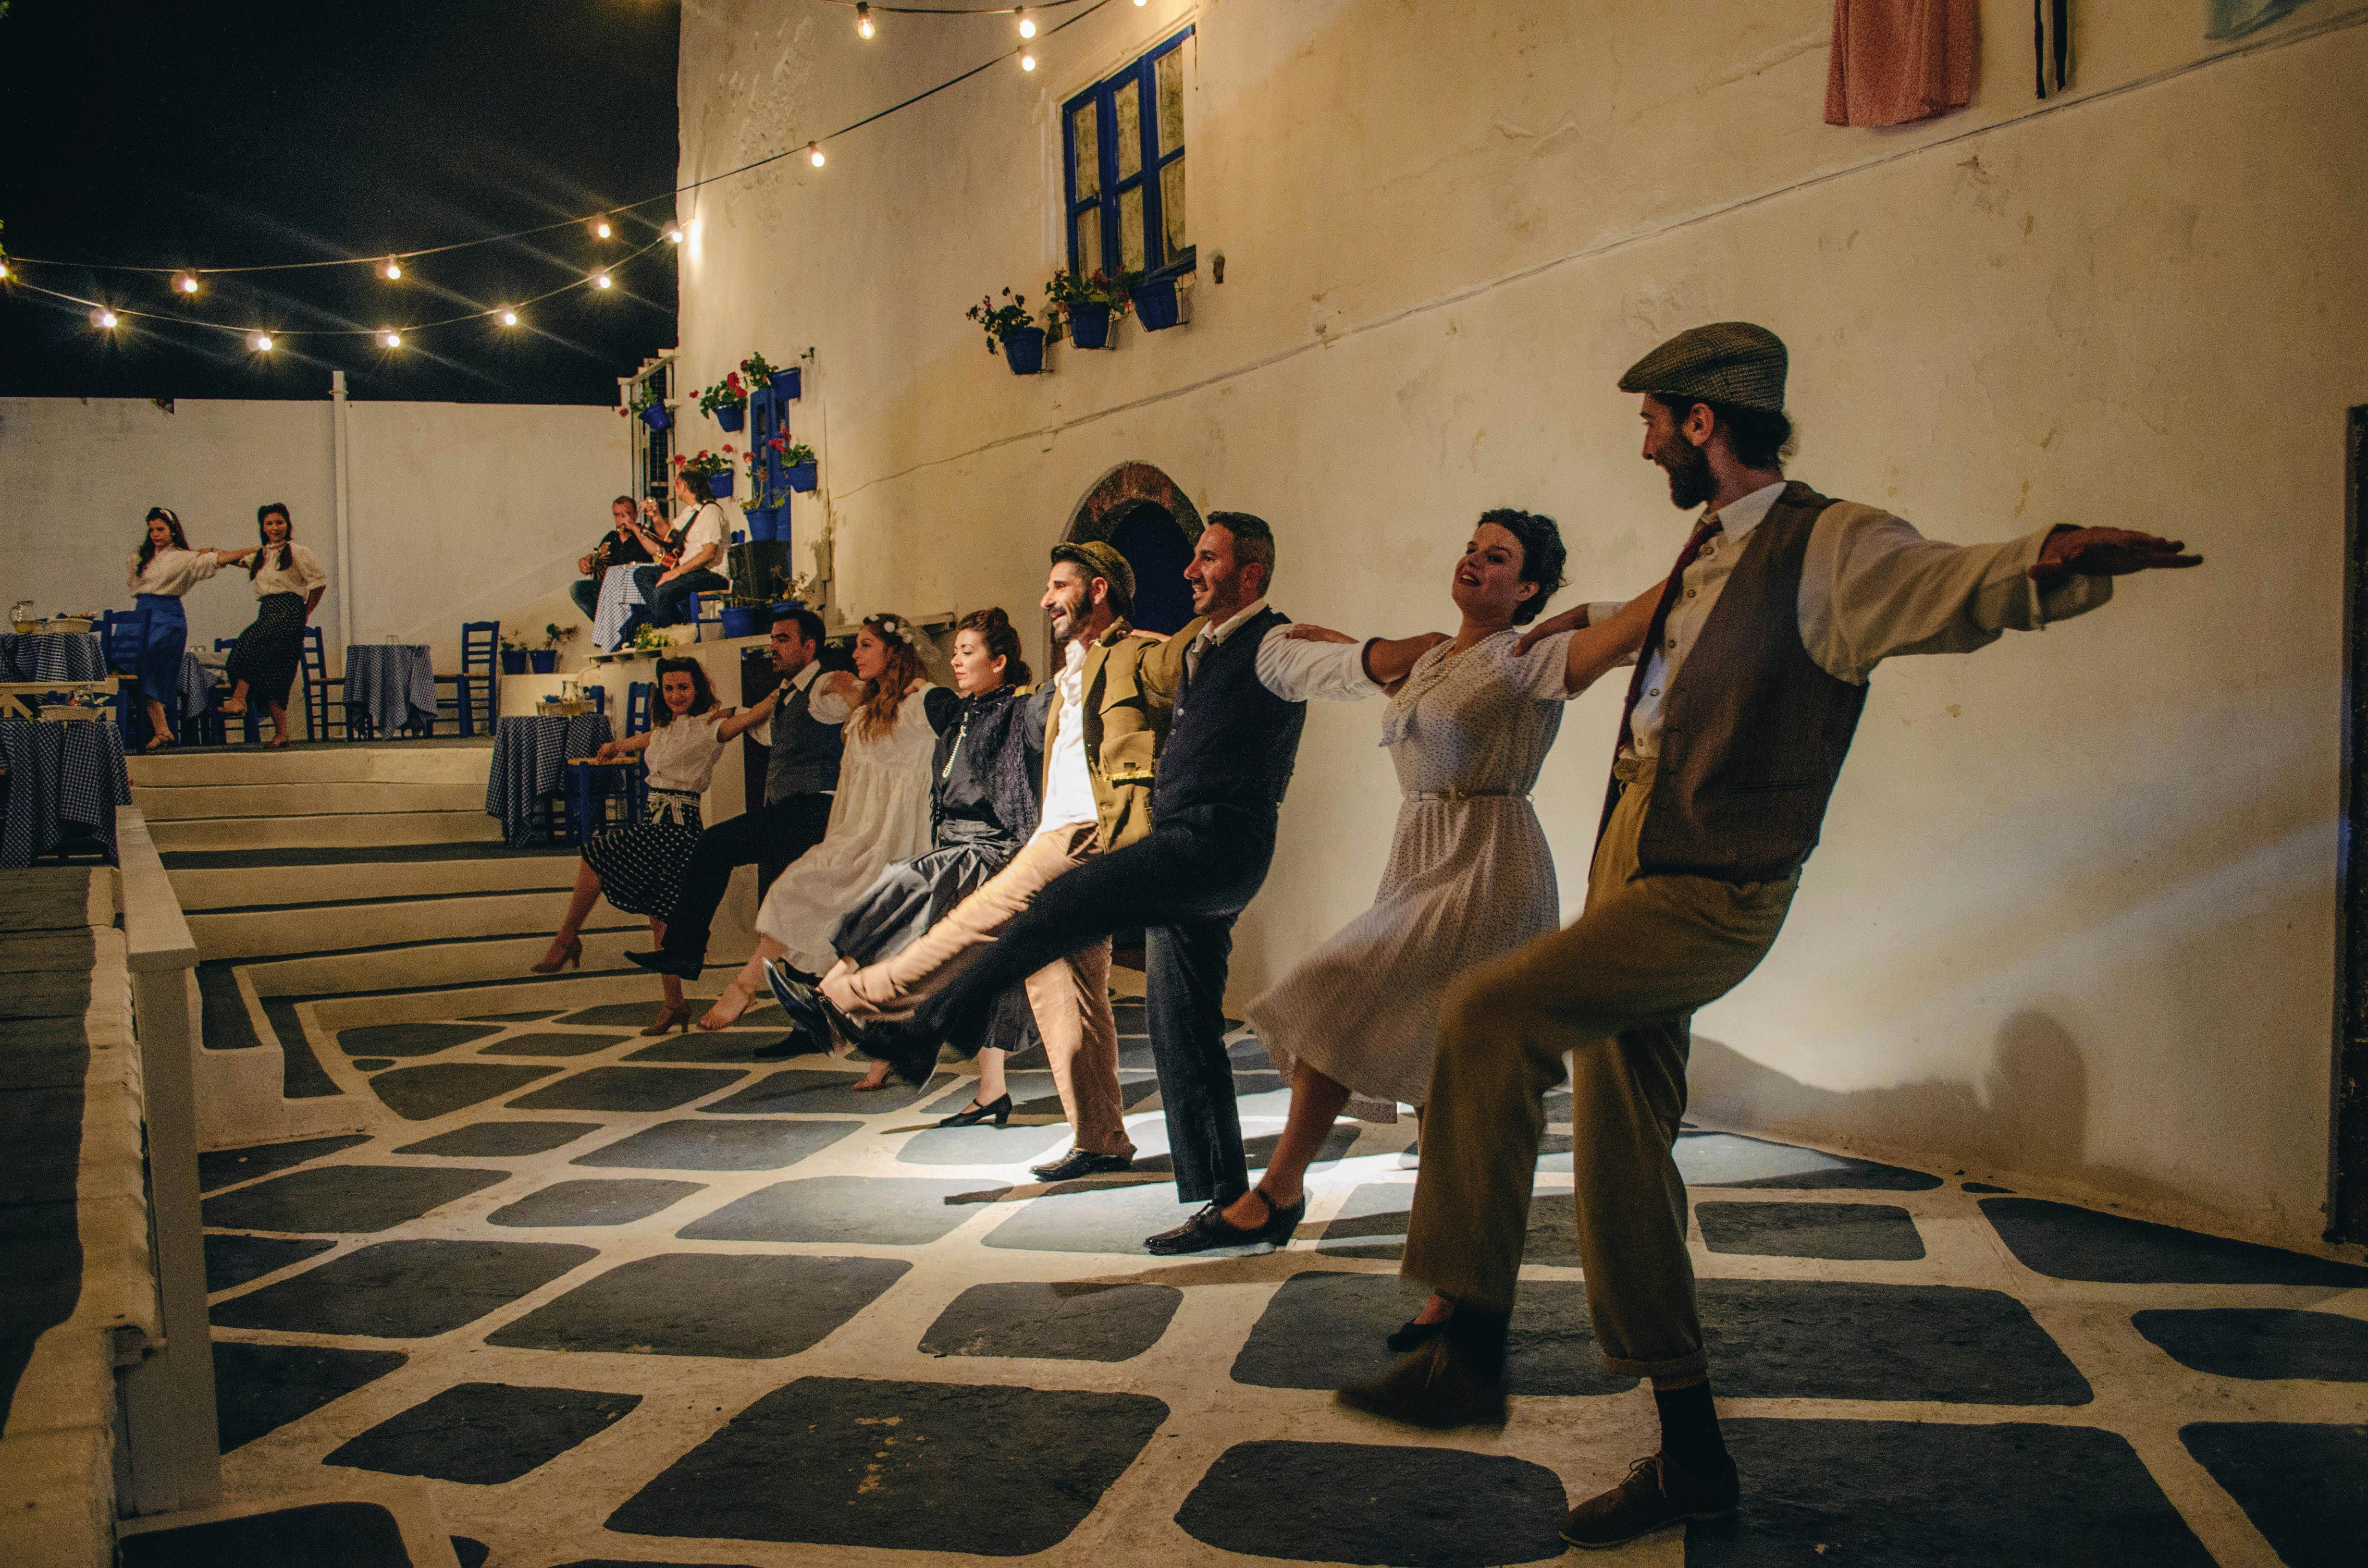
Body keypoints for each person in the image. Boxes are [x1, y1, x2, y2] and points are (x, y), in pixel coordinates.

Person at [1336, 322, 2202, 1551]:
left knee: (1490, 1013)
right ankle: (1694, 1457)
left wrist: (2046, 560)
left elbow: (1935, 585)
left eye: (1653, 422)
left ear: (1703, 421)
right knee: (1620, 1151)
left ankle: (1466, 1344)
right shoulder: (1708, 545)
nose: (1642, 446)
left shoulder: (1827, 541)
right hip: (1633, 862)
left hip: (1710, 885)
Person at [857, 514, 1441, 1253]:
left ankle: (929, 1029)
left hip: (1217, 846)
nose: (1191, 571)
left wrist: (1412, 649)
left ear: (1251, 576)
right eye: (1194, 557)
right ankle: (1234, 1202)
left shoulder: (1275, 647)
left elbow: (1359, 667)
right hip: (1183, 845)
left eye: (1208, 559)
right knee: (1180, 1023)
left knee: (1061, 901)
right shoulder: (1198, 647)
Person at [1229, 510, 1653, 1288]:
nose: (1473, 562)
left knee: (1337, 988)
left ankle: (1279, 1187)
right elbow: (1297, 645)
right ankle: (1450, 1286)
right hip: (1419, 849)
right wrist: (1363, 651)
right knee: (1437, 1075)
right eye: (1470, 547)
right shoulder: (1425, 658)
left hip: (1488, 862)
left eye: (1497, 558)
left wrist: (1576, 616)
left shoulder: (1529, 656)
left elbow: (1636, 626)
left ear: (1525, 587)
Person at [771, 540, 1166, 1180]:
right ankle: (1101, 1140)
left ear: (1097, 591)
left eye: (1059, 585)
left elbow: (1182, 674)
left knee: (971, 921)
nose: (1045, 598)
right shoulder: (1070, 669)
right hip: (1059, 833)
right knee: (1067, 994)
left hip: (1077, 838)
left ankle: (850, 1005)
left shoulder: (1134, 653)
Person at [768, 608, 1043, 1127]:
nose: (957, 662)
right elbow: (919, 735)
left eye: (969, 653)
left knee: (906, 889)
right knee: (976, 974)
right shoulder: (960, 713)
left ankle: (834, 1005)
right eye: (955, 652)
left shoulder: (1017, 711)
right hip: (959, 843)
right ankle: (990, 1090)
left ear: (1000, 662)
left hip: (991, 850)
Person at [696, 612, 946, 1045]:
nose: (855, 653)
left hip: (897, 838)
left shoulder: (925, 702)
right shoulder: (868, 706)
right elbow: (821, 702)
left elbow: (964, 726)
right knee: (795, 893)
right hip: (855, 833)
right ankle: (757, 990)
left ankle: (752, 989)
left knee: (863, 932)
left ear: (895, 652)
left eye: (866, 645)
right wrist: (838, 685)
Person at [530, 658, 775, 1033]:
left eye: (684, 687)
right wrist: (614, 745)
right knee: (661, 920)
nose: (676, 695)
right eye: (670, 688)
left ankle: (566, 940)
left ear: (698, 689)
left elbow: (752, 717)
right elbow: (648, 741)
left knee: (597, 853)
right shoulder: (666, 727)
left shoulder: (711, 727)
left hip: (679, 829)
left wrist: (783, 693)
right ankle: (674, 1005)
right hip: (654, 822)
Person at [622, 605, 842, 984]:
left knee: (714, 844)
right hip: (786, 809)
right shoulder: (785, 696)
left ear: (809, 648)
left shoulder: (827, 685)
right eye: (772, 638)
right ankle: (803, 1020)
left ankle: (684, 951)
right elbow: (750, 727)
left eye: (783, 639)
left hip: (814, 808)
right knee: (784, 913)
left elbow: (863, 708)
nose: (773, 646)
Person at [123, 507, 252, 751]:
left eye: (160, 529)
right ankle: (161, 729)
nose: (155, 534)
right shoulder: (142, 558)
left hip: (166, 617)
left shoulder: (183, 558)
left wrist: (254, 550)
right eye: (152, 530)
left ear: (173, 531)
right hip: (142, 614)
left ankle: (161, 728)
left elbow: (218, 559)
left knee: (149, 665)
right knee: (125, 665)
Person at [219, 502, 328, 747]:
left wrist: (305, 614)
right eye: (269, 523)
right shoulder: (261, 555)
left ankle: (239, 700)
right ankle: (282, 733)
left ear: (288, 524)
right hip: (268, 611)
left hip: (289, 612)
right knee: (273, 673)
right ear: (263, 527)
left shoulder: (298, 552)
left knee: (252, 643)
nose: (275, 527)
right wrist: (212, 552)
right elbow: (230, 559)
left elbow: (318, 584)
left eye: (280, 522)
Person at [620, 470, 731, 638]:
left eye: (675, 484)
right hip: (691, 570)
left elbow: (709, 554)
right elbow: (668, 534)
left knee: (663, 592)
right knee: (643, 575)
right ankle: (676, 625)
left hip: (711, 573)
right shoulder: (692, 511)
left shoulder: (711, 513)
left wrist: (677, 572)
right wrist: (656, 516)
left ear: (683, 486)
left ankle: (670, 633)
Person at [570, 494, 655, 622]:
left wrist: (633, 527)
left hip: (637, 588)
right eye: (617, 515)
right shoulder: (612, 537)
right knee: (578, 589)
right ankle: (607, 627)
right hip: (612, 588)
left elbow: (655, 550)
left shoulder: (645, 533)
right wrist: (586, 561)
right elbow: (598, 557)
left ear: (636, 515)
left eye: (626, 514)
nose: (622, 519)